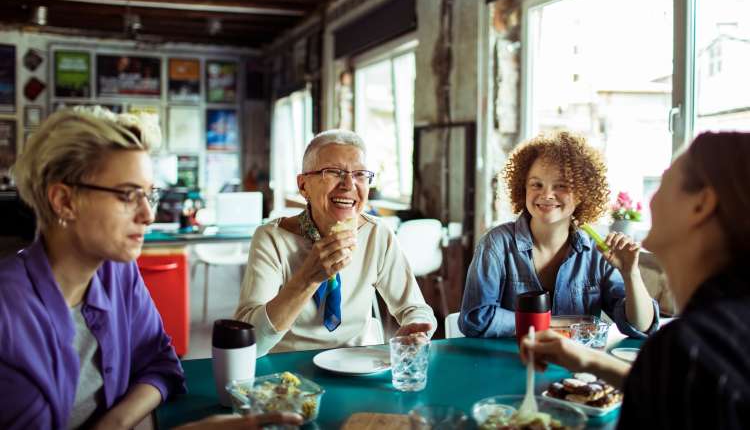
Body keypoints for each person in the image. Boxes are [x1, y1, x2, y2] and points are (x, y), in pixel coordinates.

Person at [521, 131, 750, 429]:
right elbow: (679, 392)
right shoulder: (724, 332)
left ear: (701, 204)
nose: (651, 198)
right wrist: (590, 361)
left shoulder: (686, 347)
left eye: (666, 179)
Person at [0, 107, 185, 429]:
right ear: (65, 201)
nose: (148, 215)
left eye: (149, 195)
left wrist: (114, 423)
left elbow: (161, 363)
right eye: (128, 195)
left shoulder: (117, 272)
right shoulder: (8, 314)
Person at [236, 129, 436, 356]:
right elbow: (248, 344)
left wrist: (417, 329)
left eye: (360, 174)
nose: (349, 184)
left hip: (357, 366)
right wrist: (308, 278)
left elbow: (415, 308)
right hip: (287, 372)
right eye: (333, 172)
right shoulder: (272, 238)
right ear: (303, 186)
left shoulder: (377, 233)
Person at [459, 131, 658, 338]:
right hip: (512, 363)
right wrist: (558, 325)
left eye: (561, 186)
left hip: (577, 368)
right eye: (536, 184)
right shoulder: (496, 244)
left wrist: (630, 274)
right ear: (522, 188)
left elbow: (641, 327)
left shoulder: (598, 251)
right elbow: (476, 320)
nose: (546, 195)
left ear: (582, 194)